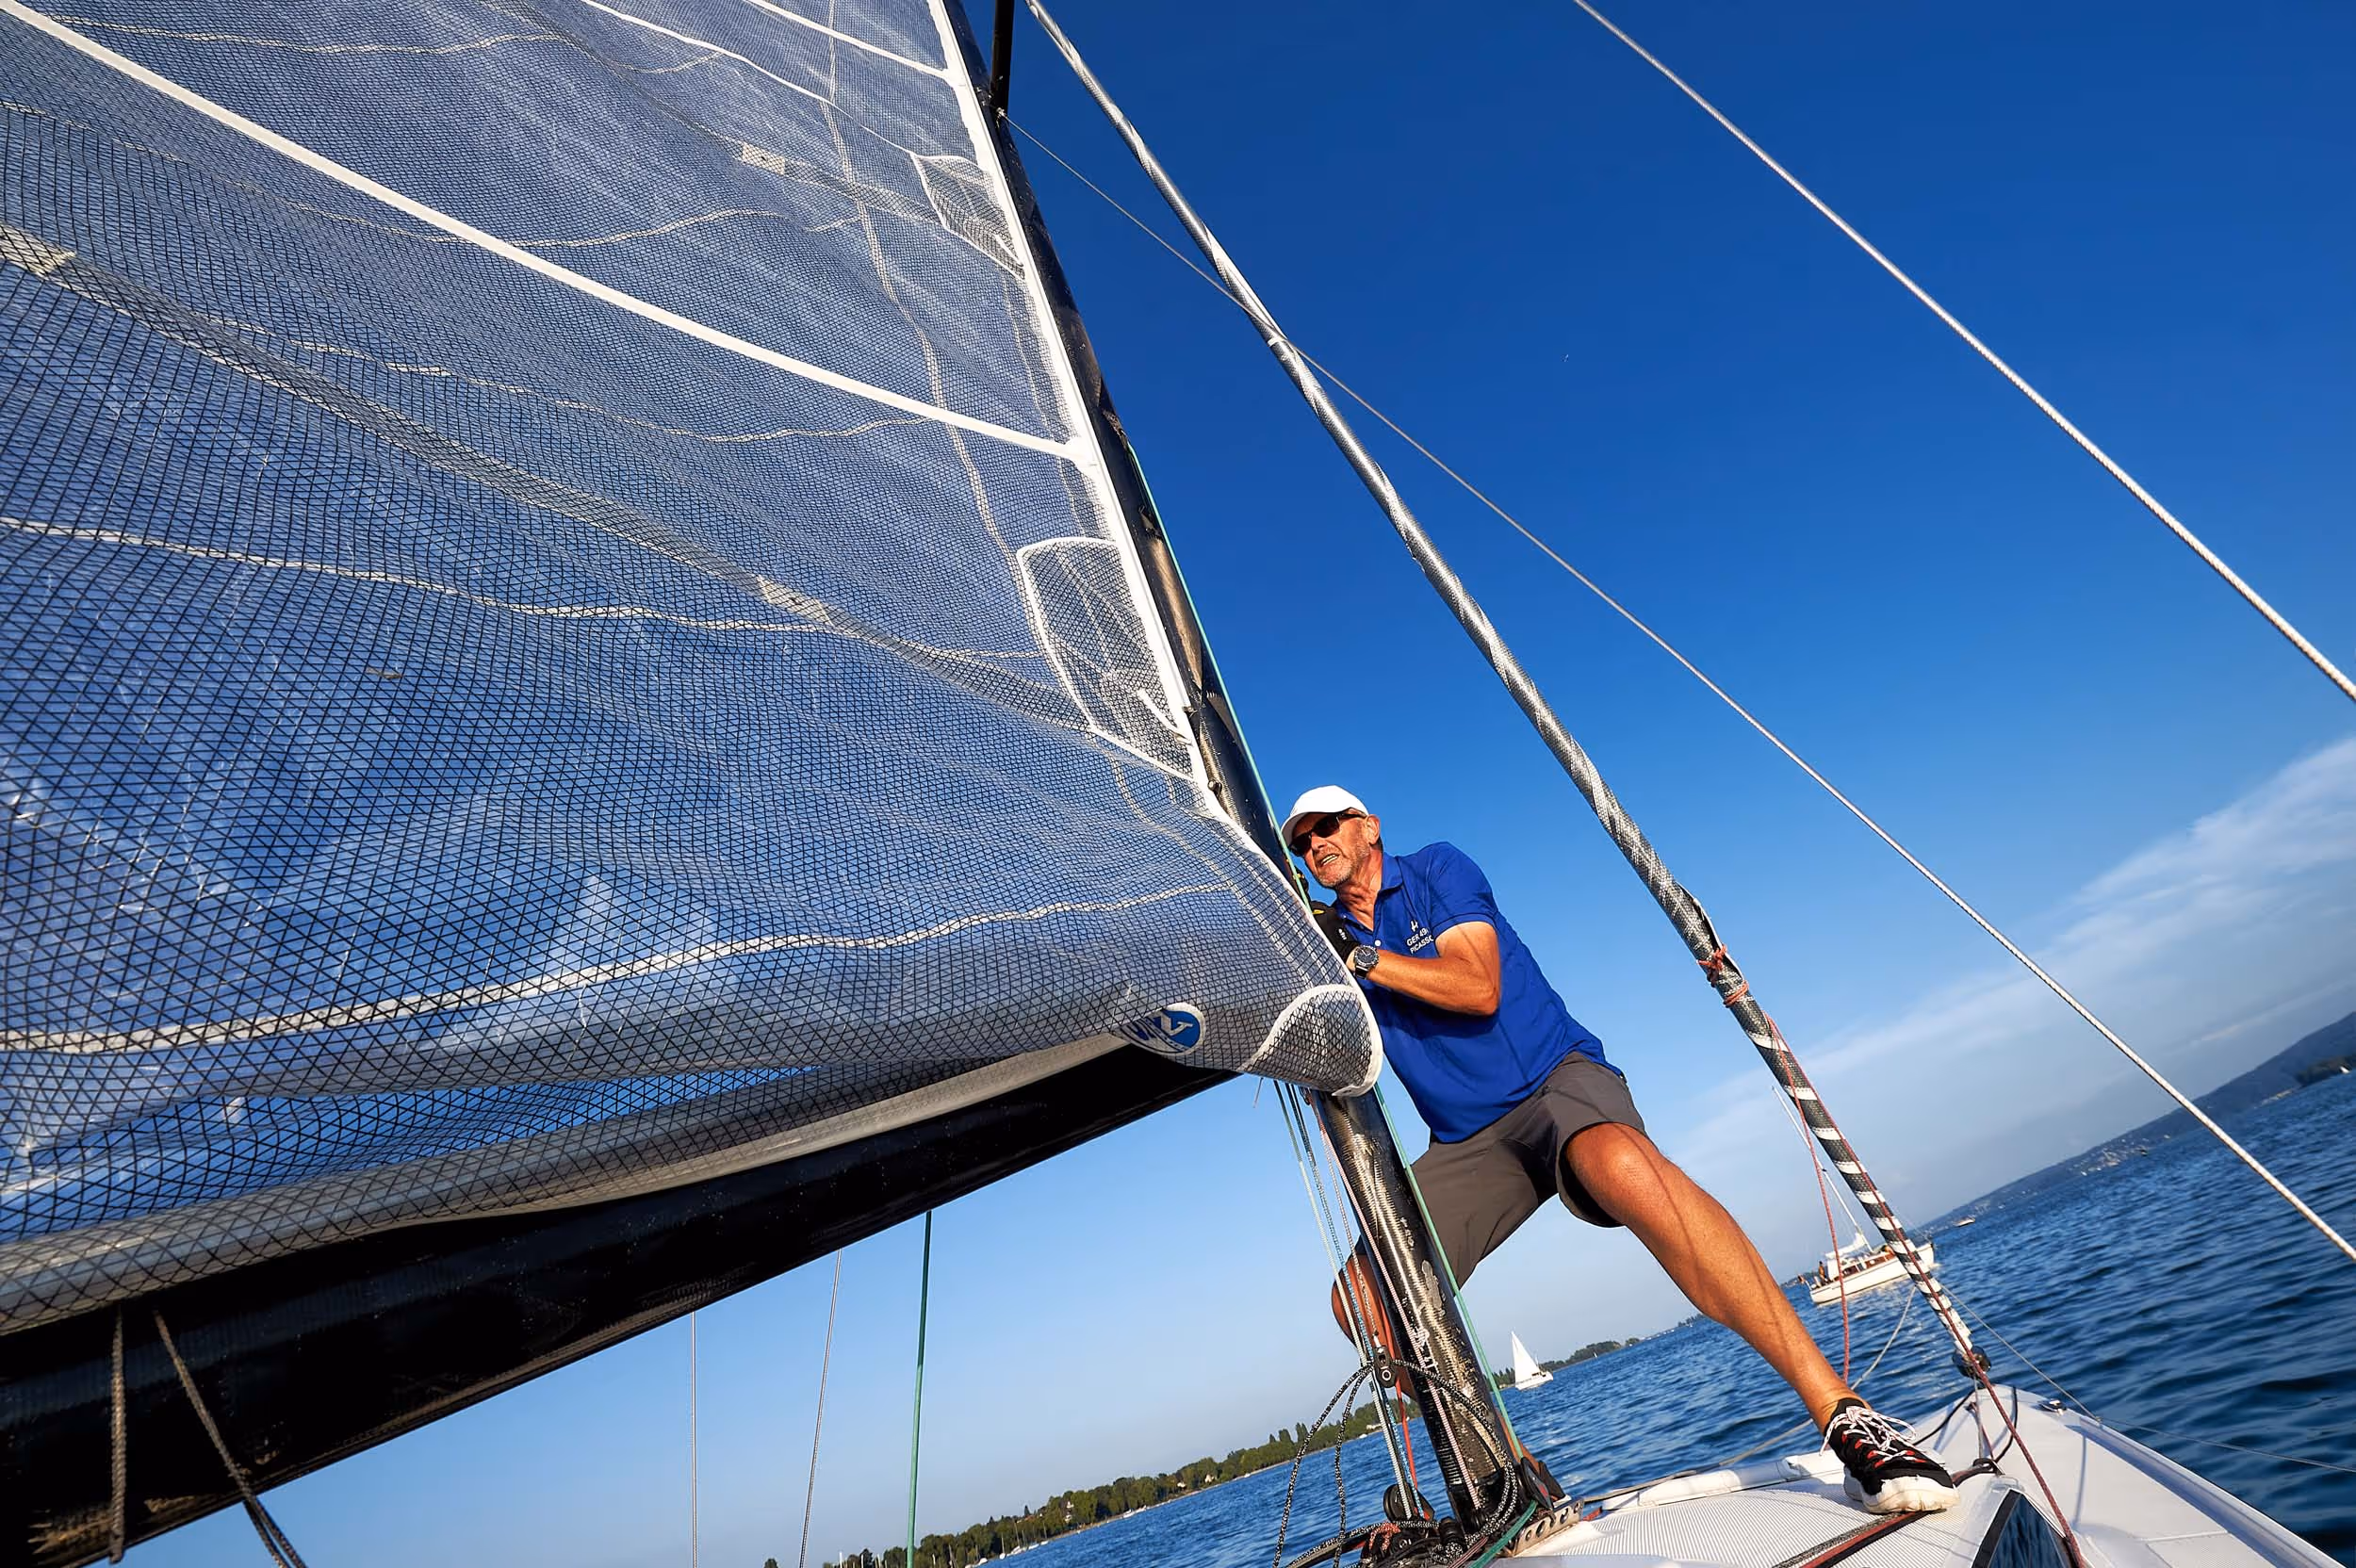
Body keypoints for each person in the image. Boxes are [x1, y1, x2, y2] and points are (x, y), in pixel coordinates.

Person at [1283, 785, 1959, 1516]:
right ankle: (1508, 1473)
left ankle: (1843, 1413)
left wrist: (1367, 958)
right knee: (1361, 1300)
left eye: (1327, 826)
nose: (1316, 843)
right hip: (1468, 1141)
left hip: (1553, 1082)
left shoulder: (1436, 870)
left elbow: (1478, 987)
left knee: (1620, 1165)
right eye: (1302, 841)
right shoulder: (1326, 951)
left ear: (1369, 826)